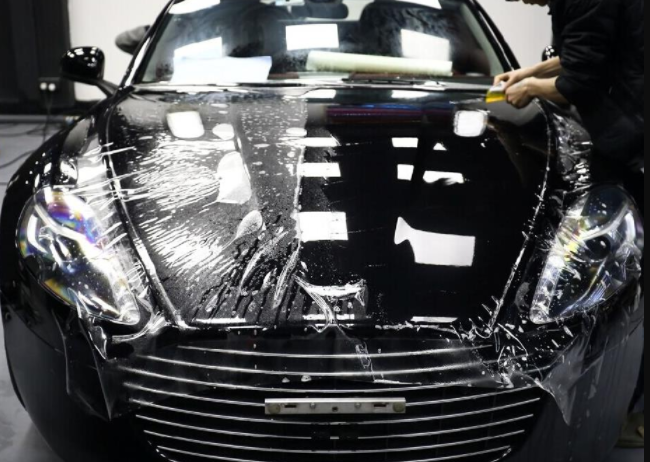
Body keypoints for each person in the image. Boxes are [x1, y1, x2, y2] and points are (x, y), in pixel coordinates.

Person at [495, 0, 644, 448]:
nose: (525, 4)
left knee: (628, 275)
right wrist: (527, 74)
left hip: (635, 139)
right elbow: (581, 54)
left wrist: (531, 89)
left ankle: (634, 411)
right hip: (627, 133)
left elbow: (580, 78)